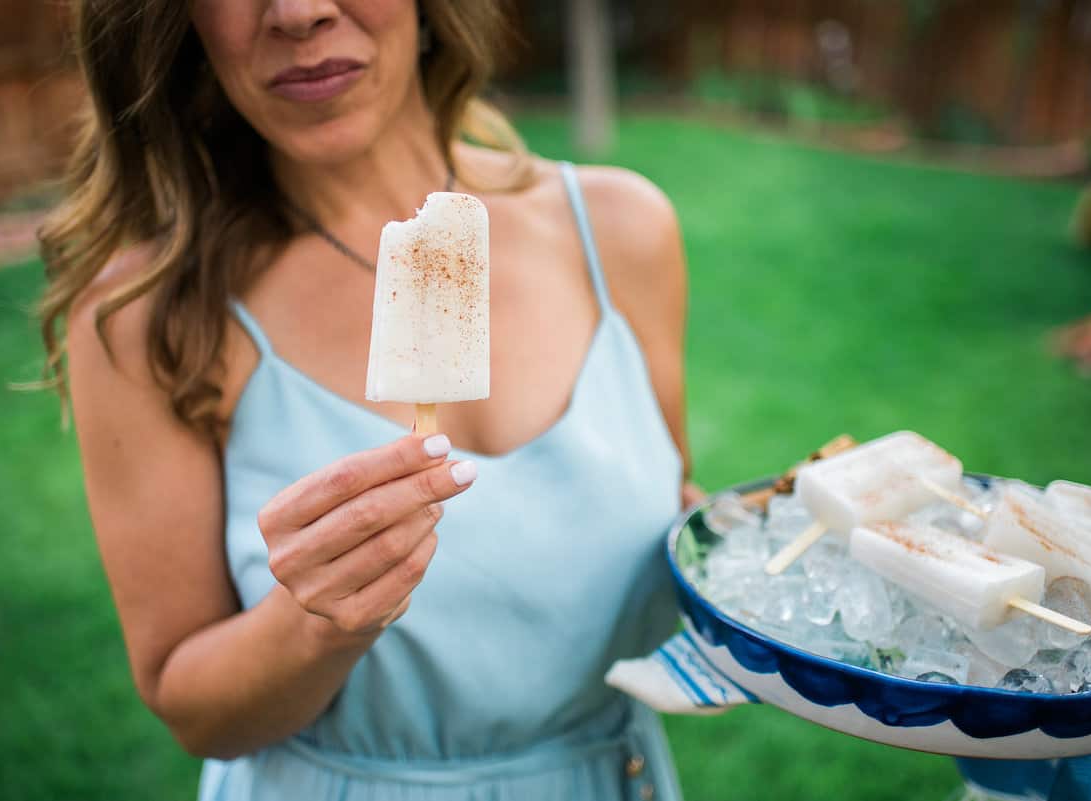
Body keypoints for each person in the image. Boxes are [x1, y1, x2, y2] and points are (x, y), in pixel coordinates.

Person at [39, 2, 702, 799]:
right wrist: (313, 625)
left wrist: (749, 567)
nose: (298, 11)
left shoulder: (624, 231)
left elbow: (678, 518)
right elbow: (193, 711)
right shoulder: (150, 317)